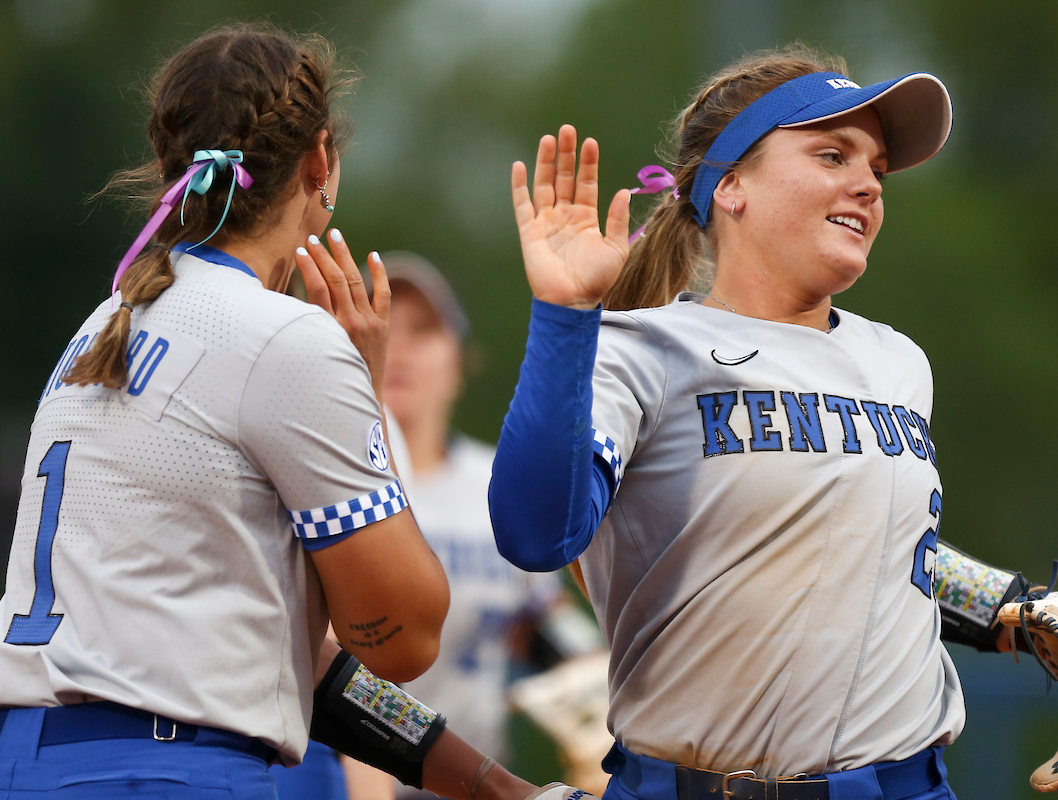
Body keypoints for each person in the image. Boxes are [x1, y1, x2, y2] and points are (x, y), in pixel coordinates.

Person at [0, 24, 536, 800]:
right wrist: (368, 403)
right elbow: (403, 636)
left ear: (168, 170)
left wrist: (499, 789)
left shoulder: (107, 321)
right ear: (320, 162)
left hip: (31, 761)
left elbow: (305, 656)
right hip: (169, 768)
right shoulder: (283, 338)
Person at [489, 43, 991, 800]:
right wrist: (566, 320)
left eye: (877, 171)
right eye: (832, 155)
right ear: (731, 187)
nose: (866, 185)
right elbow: (536, 533)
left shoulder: (898, 362)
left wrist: (1012, 606)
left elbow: (883, 554)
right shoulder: (645, 350)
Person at [336, 253, 565, 800]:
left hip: (478, 785)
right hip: (351, 782)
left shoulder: (497, 485)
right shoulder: (330, 485)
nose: (401, 349)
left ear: (459, 363)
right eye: (385, 326)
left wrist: (595, 704)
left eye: (424, 330)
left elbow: (541, 631)